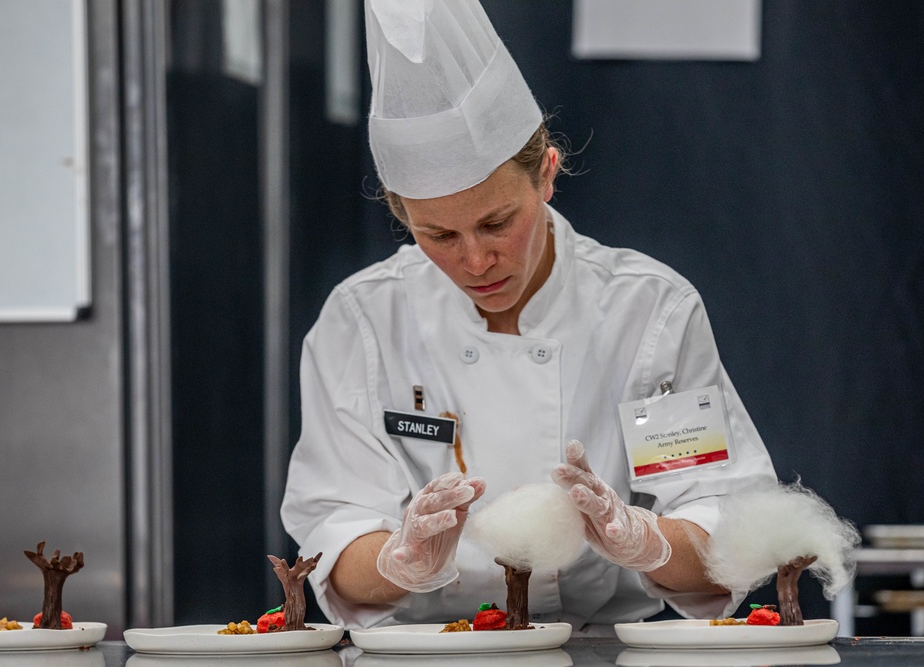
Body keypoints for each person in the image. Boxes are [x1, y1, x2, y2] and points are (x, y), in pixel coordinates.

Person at [281, 0, 777, 633]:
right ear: (402, 214)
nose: (475, 259)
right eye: (437, 234)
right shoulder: (363, 321)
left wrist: (643, 540)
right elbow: (335, 533)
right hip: (428, 655)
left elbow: (721, 532)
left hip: (606, 653)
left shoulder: (646, 312)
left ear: (546, 175)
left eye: (497, 222)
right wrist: (402, 560)